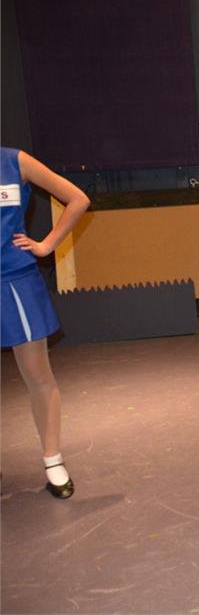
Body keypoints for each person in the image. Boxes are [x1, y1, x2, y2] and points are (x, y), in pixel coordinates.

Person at [1, 147, 90, 498]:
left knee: (38, 376)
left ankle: (53, 460)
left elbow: (77, 199)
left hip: (15, 281)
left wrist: (47, 245)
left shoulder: (14, 162)